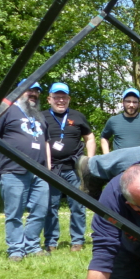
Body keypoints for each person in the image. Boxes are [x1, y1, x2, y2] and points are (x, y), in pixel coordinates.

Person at [0, 80, 51, 261]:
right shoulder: (6, 110)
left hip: (40, 171)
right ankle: (16, 250)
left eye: (37, 91)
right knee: (14, 213)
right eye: (30, 90)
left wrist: (48, 169)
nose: (34, 94)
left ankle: (32, 245)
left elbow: (46, 143)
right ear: (19, 91)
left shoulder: (39, 116)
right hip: (13, 170)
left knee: (40, 210)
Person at [42, 82, 96, 252]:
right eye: (56, 97)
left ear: (69, 99)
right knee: (50, 206)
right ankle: (51, 242)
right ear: (49, 99)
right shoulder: (41, 117)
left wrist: (90, 161)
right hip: (51, 170)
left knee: (78, 205)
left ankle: (78, 241)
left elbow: (90, 138)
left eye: (64, 97)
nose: (60, 100)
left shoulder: (78, 116)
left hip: (74, 169)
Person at [100, 88, 140, 153]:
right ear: (123, 102)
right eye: (128, 101)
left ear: (139, 104)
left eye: (134, 102)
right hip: (119, 161)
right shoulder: (113, 120)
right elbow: (104, 137)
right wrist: (107, 156)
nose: (131, 105)